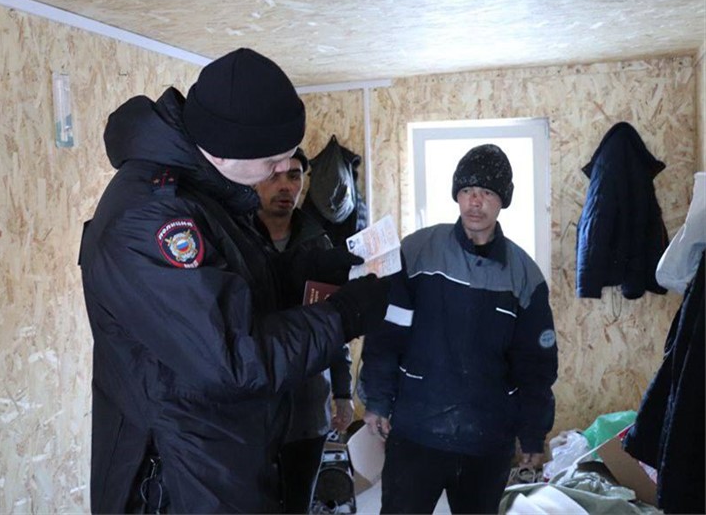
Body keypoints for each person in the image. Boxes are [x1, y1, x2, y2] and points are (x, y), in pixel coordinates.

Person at [78, 47, 391, 514]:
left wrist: (313, 273)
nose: (282, 171)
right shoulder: (151, 217)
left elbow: (232, 291)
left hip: (220, 455)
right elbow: (233, 356)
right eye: (273, 160)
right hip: (177, 479)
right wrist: (344, 315)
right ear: (227, 151)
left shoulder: (205, 190)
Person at [359, 144, 559, 514]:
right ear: (457, 195)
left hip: (487, 441)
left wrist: (533, 434)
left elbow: (535, 365)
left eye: (487, 192)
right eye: (467, 190)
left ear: (503, 200)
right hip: (417, 432)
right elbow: (386, 334)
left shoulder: (524, 275)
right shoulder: (417, 252)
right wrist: (377, 400)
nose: (475, 202)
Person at [253, 148, 355, 513]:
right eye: (274, 176)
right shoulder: (236, 239)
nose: (285, 186)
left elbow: (334, 324)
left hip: (307, 407)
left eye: (294, 176)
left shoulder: (318, 244)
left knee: (298, 504)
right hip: (253, 406)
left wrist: (342, 393)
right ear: (255, 181)